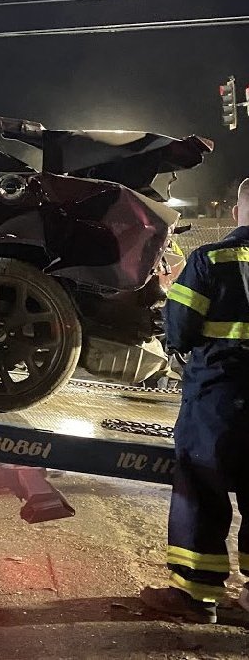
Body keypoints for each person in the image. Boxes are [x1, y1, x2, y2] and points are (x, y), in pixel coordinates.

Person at [140, 180, 249, 624]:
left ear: (240, 210)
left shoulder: (211, 260)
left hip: (219, 399)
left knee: (201, 489)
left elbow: (180, 329)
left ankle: (195, 596)